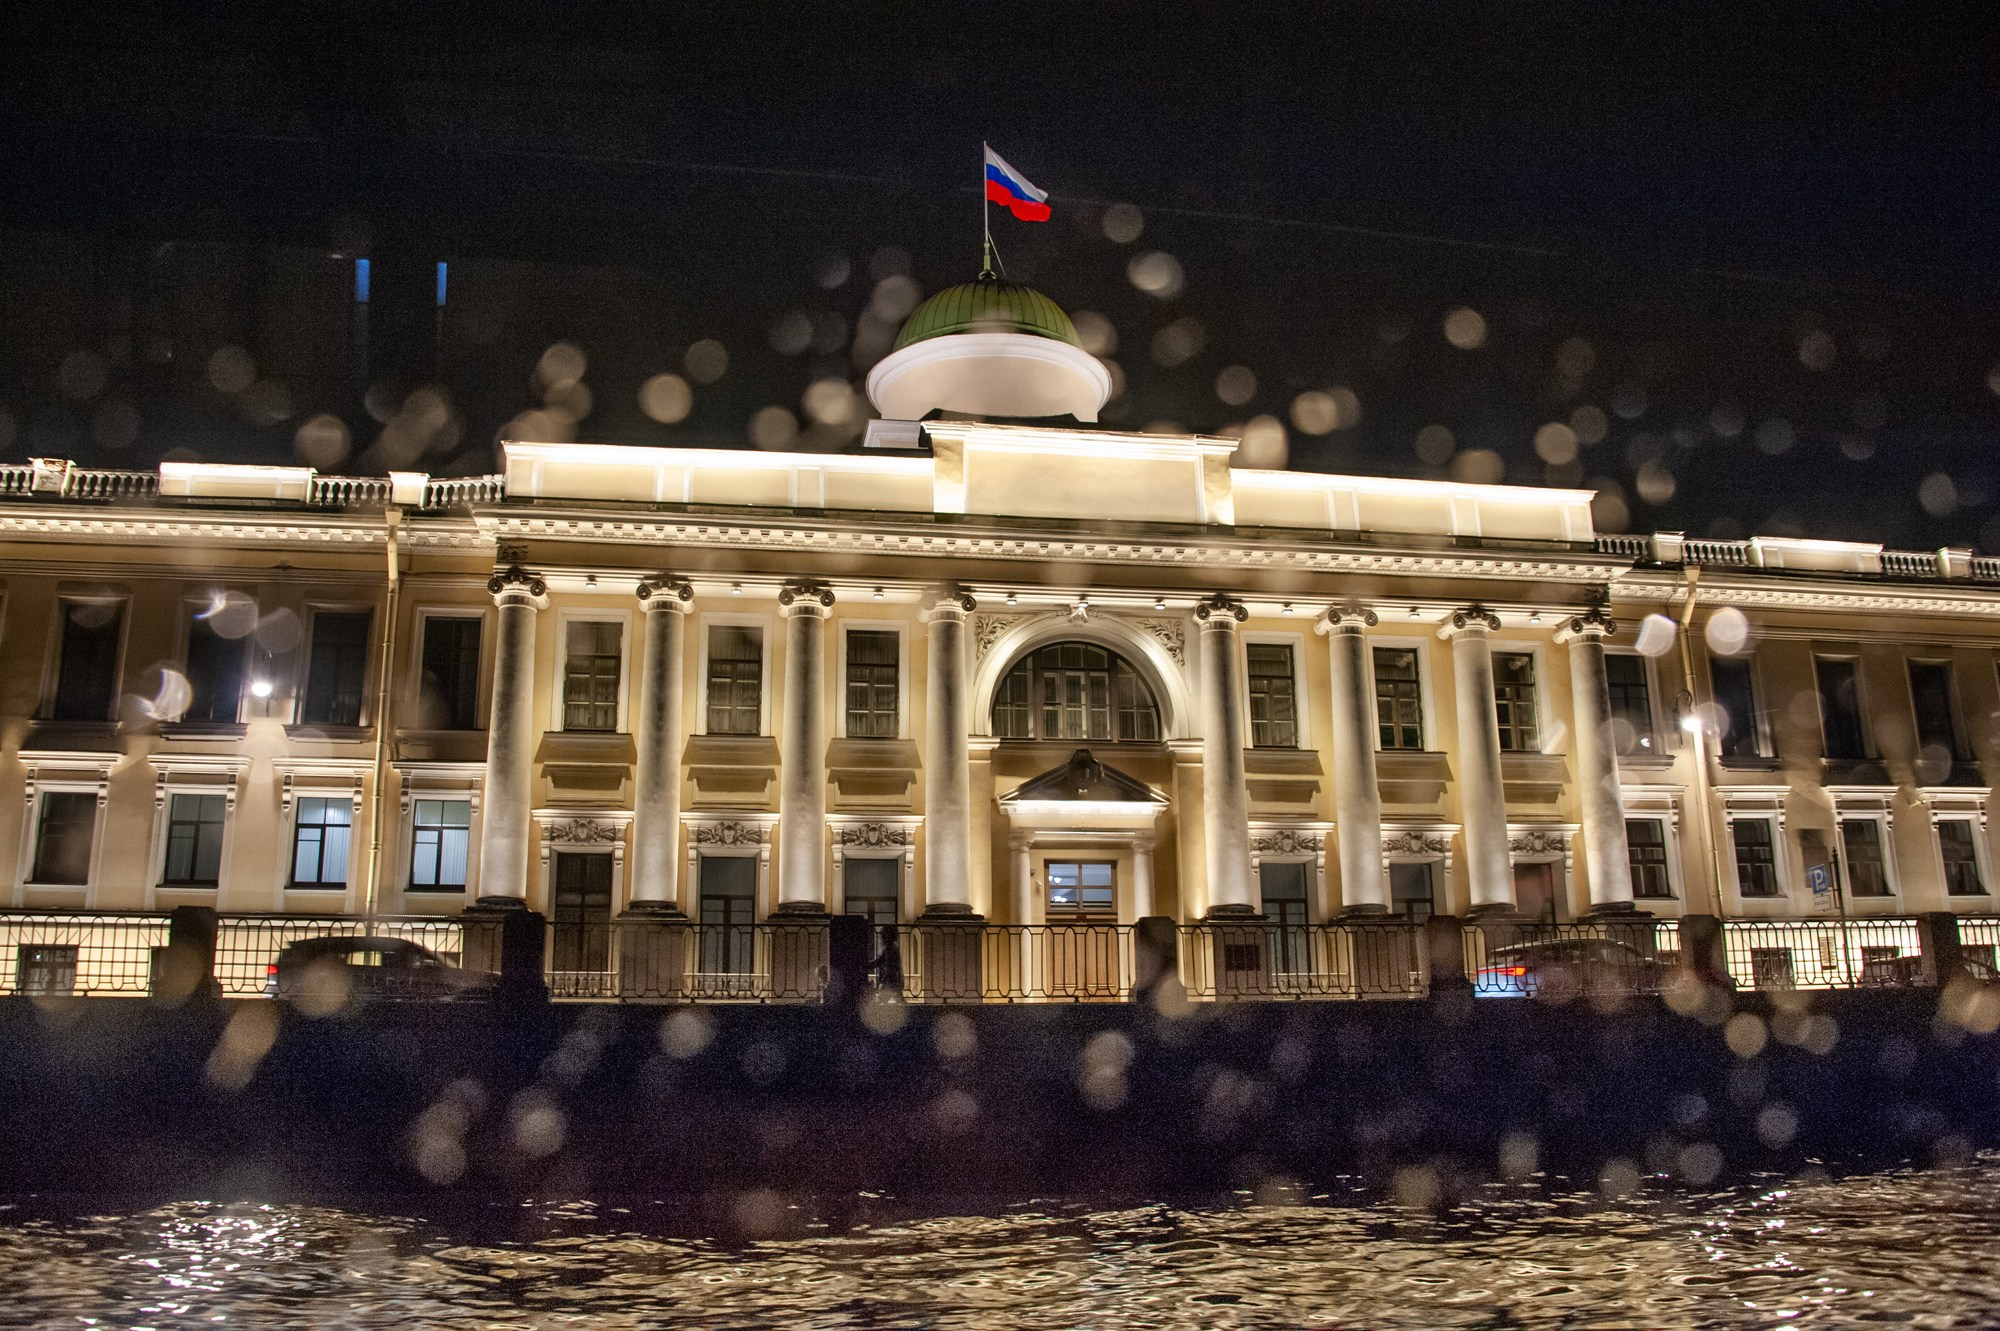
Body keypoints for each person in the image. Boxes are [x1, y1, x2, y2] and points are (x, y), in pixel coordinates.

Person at [871, 922, 904, 994]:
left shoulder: (888, 948)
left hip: (889, 980)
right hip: (892, 979)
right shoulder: (892, 946)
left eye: (881, 935)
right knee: (897, 1000)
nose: (879, 938)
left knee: (882, 1001)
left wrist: (883, 981)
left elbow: (885, 964)